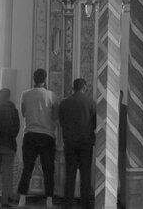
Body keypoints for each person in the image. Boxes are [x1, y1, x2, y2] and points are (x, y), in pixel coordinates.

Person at [17, 68, 59, 209]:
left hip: (30, 134)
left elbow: (23, 113)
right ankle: (49, 201)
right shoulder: (52, 95)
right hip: (47, 136)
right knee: (48, 169)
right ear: (45, 79)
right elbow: (55, 116)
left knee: (27, 168)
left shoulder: (25, 94)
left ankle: (22, 200)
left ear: (33, 78)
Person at [58, 78, 96, 209]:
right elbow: (94, 122)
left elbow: (61, 121)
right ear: (84, 87)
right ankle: (85, 203)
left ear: (73, 88)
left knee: (70, 173)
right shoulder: (91, 102)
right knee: (85, 174)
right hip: (86, 143)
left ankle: (68, 203)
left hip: (70, 142)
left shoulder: (64, 102)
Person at [0, 88, 20, 209]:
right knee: (7, 175)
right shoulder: (13, 110)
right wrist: (10, 137)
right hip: (8, 145)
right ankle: (5, 201)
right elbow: (17, 127)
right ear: (9, 97)